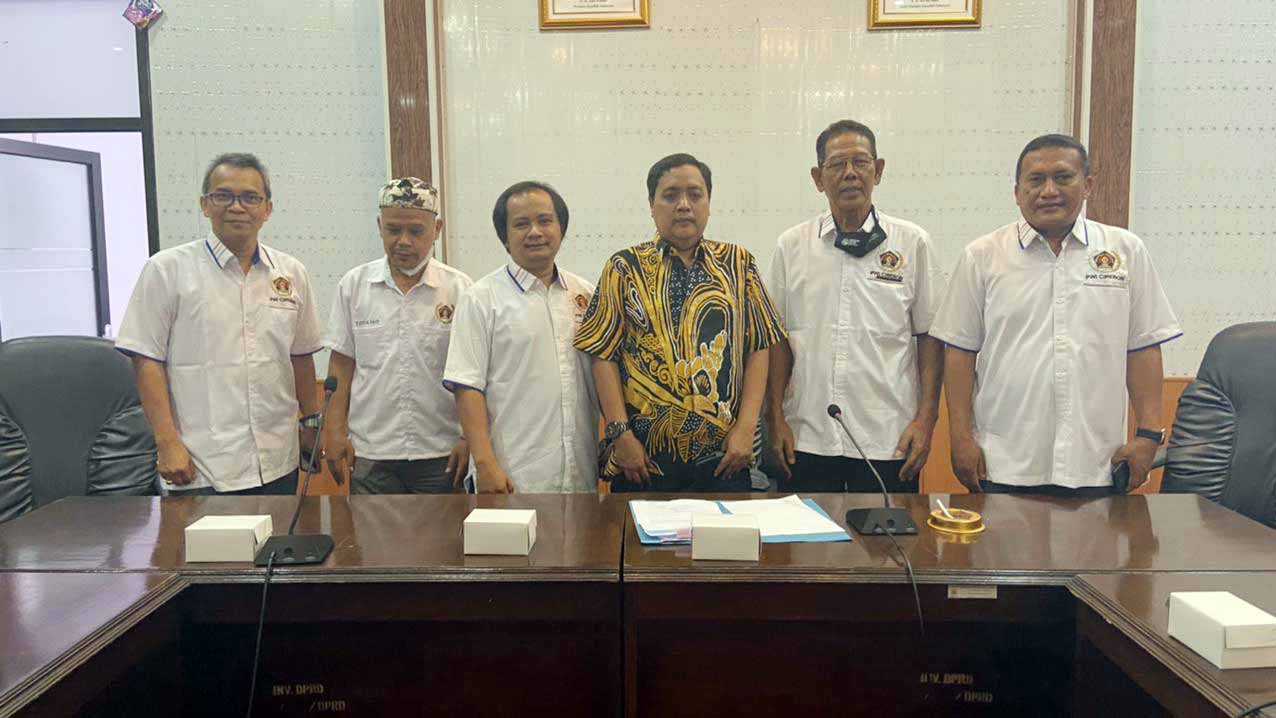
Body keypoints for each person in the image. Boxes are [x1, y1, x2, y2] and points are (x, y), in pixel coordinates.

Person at [929, 134, 1181, 495]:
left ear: (1088, 185)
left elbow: (1143, 347)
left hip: (1097, 464)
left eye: (1063, 177)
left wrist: (1148, 435)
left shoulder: (1125, 251)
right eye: (1036, 180)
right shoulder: (982, 257)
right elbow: (959, 352)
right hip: (1003, 464)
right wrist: (960, 438)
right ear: (1017, 193)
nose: (1049, 191)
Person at [574, 153, 786, 492]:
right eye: (670, 195)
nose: (684, 205)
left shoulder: (738, 263)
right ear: (651, 205)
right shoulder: (623, 268)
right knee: (636, 530)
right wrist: (620, 435)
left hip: (725, 458)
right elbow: (603, 355)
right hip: (642, 462)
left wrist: (746, 429)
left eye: (695, 194)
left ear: (709, 203)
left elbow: (759, 346)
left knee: (727, 530)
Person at [116, 152, 322, 494]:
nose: (237, 207)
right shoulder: (167, 270)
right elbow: (146, 360)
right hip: (202, 466)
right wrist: (167, 443)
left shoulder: (290, 273)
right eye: (224, 196)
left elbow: (300, 356)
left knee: (280, 532)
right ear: (205, 205)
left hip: (278, 460)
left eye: (250, 198)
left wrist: (311, 423)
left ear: (267, 209)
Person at [766, 120, 945, 493]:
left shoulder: (912, 243)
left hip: (889, 437)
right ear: (818, 178)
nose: (850, 173)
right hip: (806, 435)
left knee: (887, 532)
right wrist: (775, 419)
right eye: (836, 164)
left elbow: (930, 338)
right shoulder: (792, 246)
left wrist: (926, 421)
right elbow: (777, 341)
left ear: (878, 171)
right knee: (806, 532)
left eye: (860, 162)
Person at [441, 181, 598, 493]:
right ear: (505, 236)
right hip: (511, 476)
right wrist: (484, 463)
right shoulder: (481, 299)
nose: (535, 232)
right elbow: (467, 387)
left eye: (545, 221)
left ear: (561, 228)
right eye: (521, 224)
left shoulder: (585, 294)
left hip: (580, 474)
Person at [322, 177, 472, 493]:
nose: (403, 241)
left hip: (441, 451)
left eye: (416, 231)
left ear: (437, 229)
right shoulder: (354, 286)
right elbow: (340, 367)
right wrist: (333, 432)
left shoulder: (460, 289)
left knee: (444, 528)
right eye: (393, 230)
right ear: (380, 226)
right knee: (372, 528)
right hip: (371, 451)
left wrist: (468, 437)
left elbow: (472, 374)